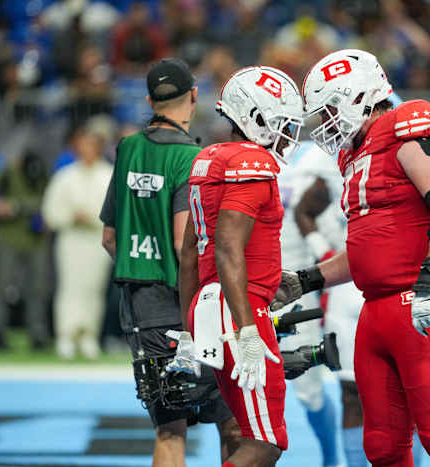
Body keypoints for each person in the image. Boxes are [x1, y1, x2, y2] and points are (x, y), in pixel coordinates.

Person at [272, 49, 430, 467]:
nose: (325, 124)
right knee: (382, 446)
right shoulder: (356, 153)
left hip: (423, 299)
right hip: (376, 307)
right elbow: (368, 251)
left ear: (358, 97)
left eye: (329, 110)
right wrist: (305, 280)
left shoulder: (406, 126)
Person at [99, 58, 239, 467]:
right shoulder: (192, 158)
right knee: (229, 420)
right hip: (186, 304)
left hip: (139, 308)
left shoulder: (126, 148)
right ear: (194, 96)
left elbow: (110, 237)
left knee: (169, 429)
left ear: (148, 100)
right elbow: (185, 244)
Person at [178, 65, 303, 467]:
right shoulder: (250, 162)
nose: (287, 133)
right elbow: (228, 249)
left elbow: (188, 254)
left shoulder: (211, 157)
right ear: (255, 116)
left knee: (244, 431)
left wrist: (186, 329)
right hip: (237, 309)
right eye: (281, 122)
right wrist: (248, 328)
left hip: (210, 303)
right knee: (266, 442)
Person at [277, 140, 359, 467]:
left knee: (309, 390)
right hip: (251, 281)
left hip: (300, 284)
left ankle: (331, 459)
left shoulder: (318, 156)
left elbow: (309, 211)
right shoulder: (240, 156)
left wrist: (324, 262)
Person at [42, 124, 113, 360]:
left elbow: (116, 209)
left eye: (92, 144)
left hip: (97, 239)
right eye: (83, 144)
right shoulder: (65, 176)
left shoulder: (108, 174)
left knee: (94, 289)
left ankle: (88, 337)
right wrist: (70, 217)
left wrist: (92, 217)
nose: (87, 149)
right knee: (69, 288)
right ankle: (66, 337)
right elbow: (50, 211)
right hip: (71, 239)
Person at [0, 149, 49, 350]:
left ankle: (37, 334)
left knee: (38, 288)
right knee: (1, 287)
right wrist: (1, 208)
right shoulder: (8, 172)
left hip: (36, 240)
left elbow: (50, 200)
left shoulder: (43, 174)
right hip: (7, 238)